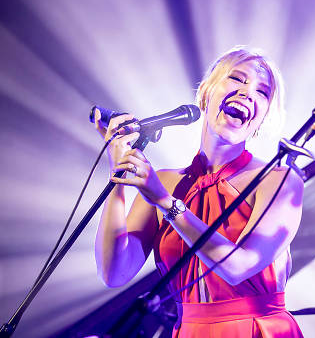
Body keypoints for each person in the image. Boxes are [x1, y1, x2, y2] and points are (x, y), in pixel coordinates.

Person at [94, 46, 304, 338]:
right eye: (237, 79)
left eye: (262, 92)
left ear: (263, 116)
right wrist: (118, 175)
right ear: (206, 93)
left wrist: (167, 204)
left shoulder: (279, 180)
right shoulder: (165, 181)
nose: (247, 93)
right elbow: (115, 272)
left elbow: (238, 266)